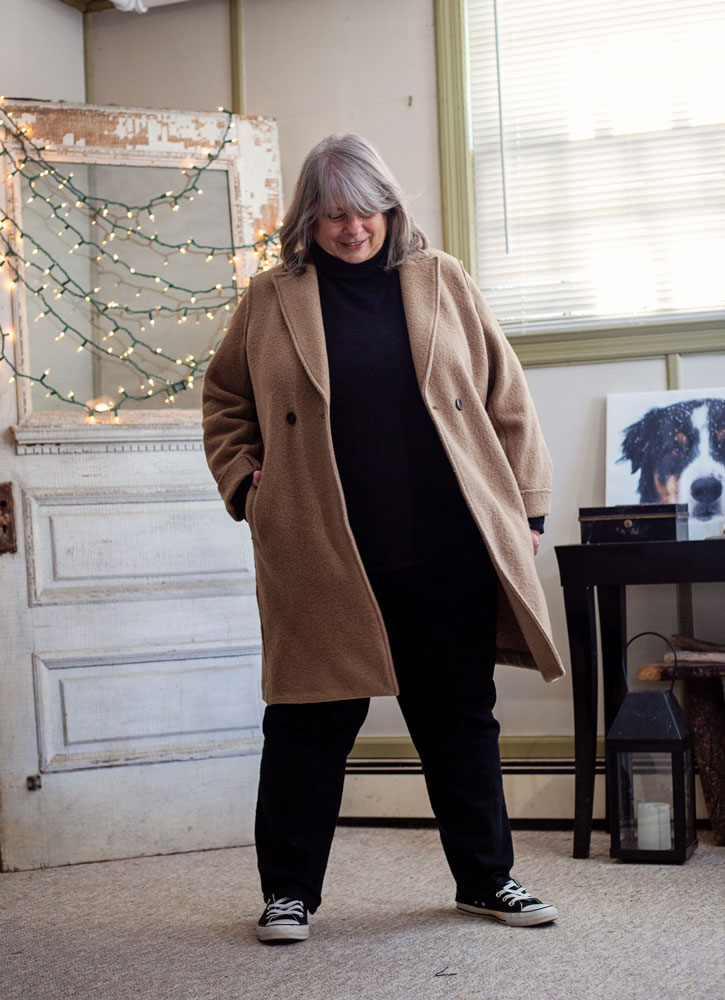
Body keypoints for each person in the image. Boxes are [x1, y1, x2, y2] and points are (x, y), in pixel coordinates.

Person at [202, 133, 565, 944]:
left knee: (459, 720)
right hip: (323, 550)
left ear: (389, 207)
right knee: (306, 724)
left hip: (447, 545)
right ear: (309, 217)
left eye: (365, 208)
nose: (351, 227)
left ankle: (487, 879)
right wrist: (245, 483)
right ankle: (289, 893)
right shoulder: (270, 298)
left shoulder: (441, 280)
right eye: (332, 213)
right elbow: (224, 399)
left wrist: (528, 510)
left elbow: (506, 395)